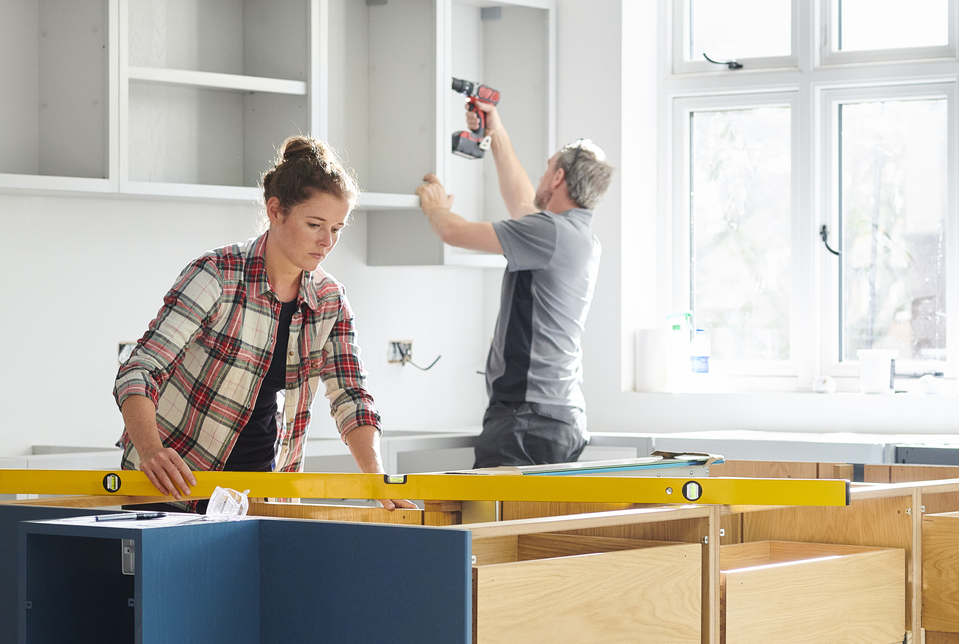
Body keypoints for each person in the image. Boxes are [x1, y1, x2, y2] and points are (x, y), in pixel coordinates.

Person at [114, 136, 415, 511]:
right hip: (172, 487)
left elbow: (351, 397)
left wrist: (377, 481)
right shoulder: (217, 275)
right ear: (276, 210)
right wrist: (151, 452)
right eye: (315, 224)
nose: (327, 242)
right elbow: (139, 370)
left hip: (258, 494)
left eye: (337, 228)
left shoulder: (329, 300)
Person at [416, 101, 614, 467]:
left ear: (557, 180)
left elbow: (453, 232)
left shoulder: (549, 232)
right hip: (555, 417)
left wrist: (435, 205)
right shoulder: (576, 235)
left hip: (527, 419)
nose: (540, 177)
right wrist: (496, 131)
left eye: (547, 170)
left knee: (490, 522)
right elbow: (522, 201)